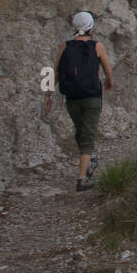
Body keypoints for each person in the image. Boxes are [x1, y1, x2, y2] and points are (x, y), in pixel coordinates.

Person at [43, 11, 114, 191]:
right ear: (91, 27)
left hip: (72, 97)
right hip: (91, 96)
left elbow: (55, 72)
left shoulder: (64, 46)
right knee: (88, 136)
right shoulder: (97, 46)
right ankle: (82, 179)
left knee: (81, 131)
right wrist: (109, 82)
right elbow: (107, 70)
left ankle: (87, 161)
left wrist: (48, 95)